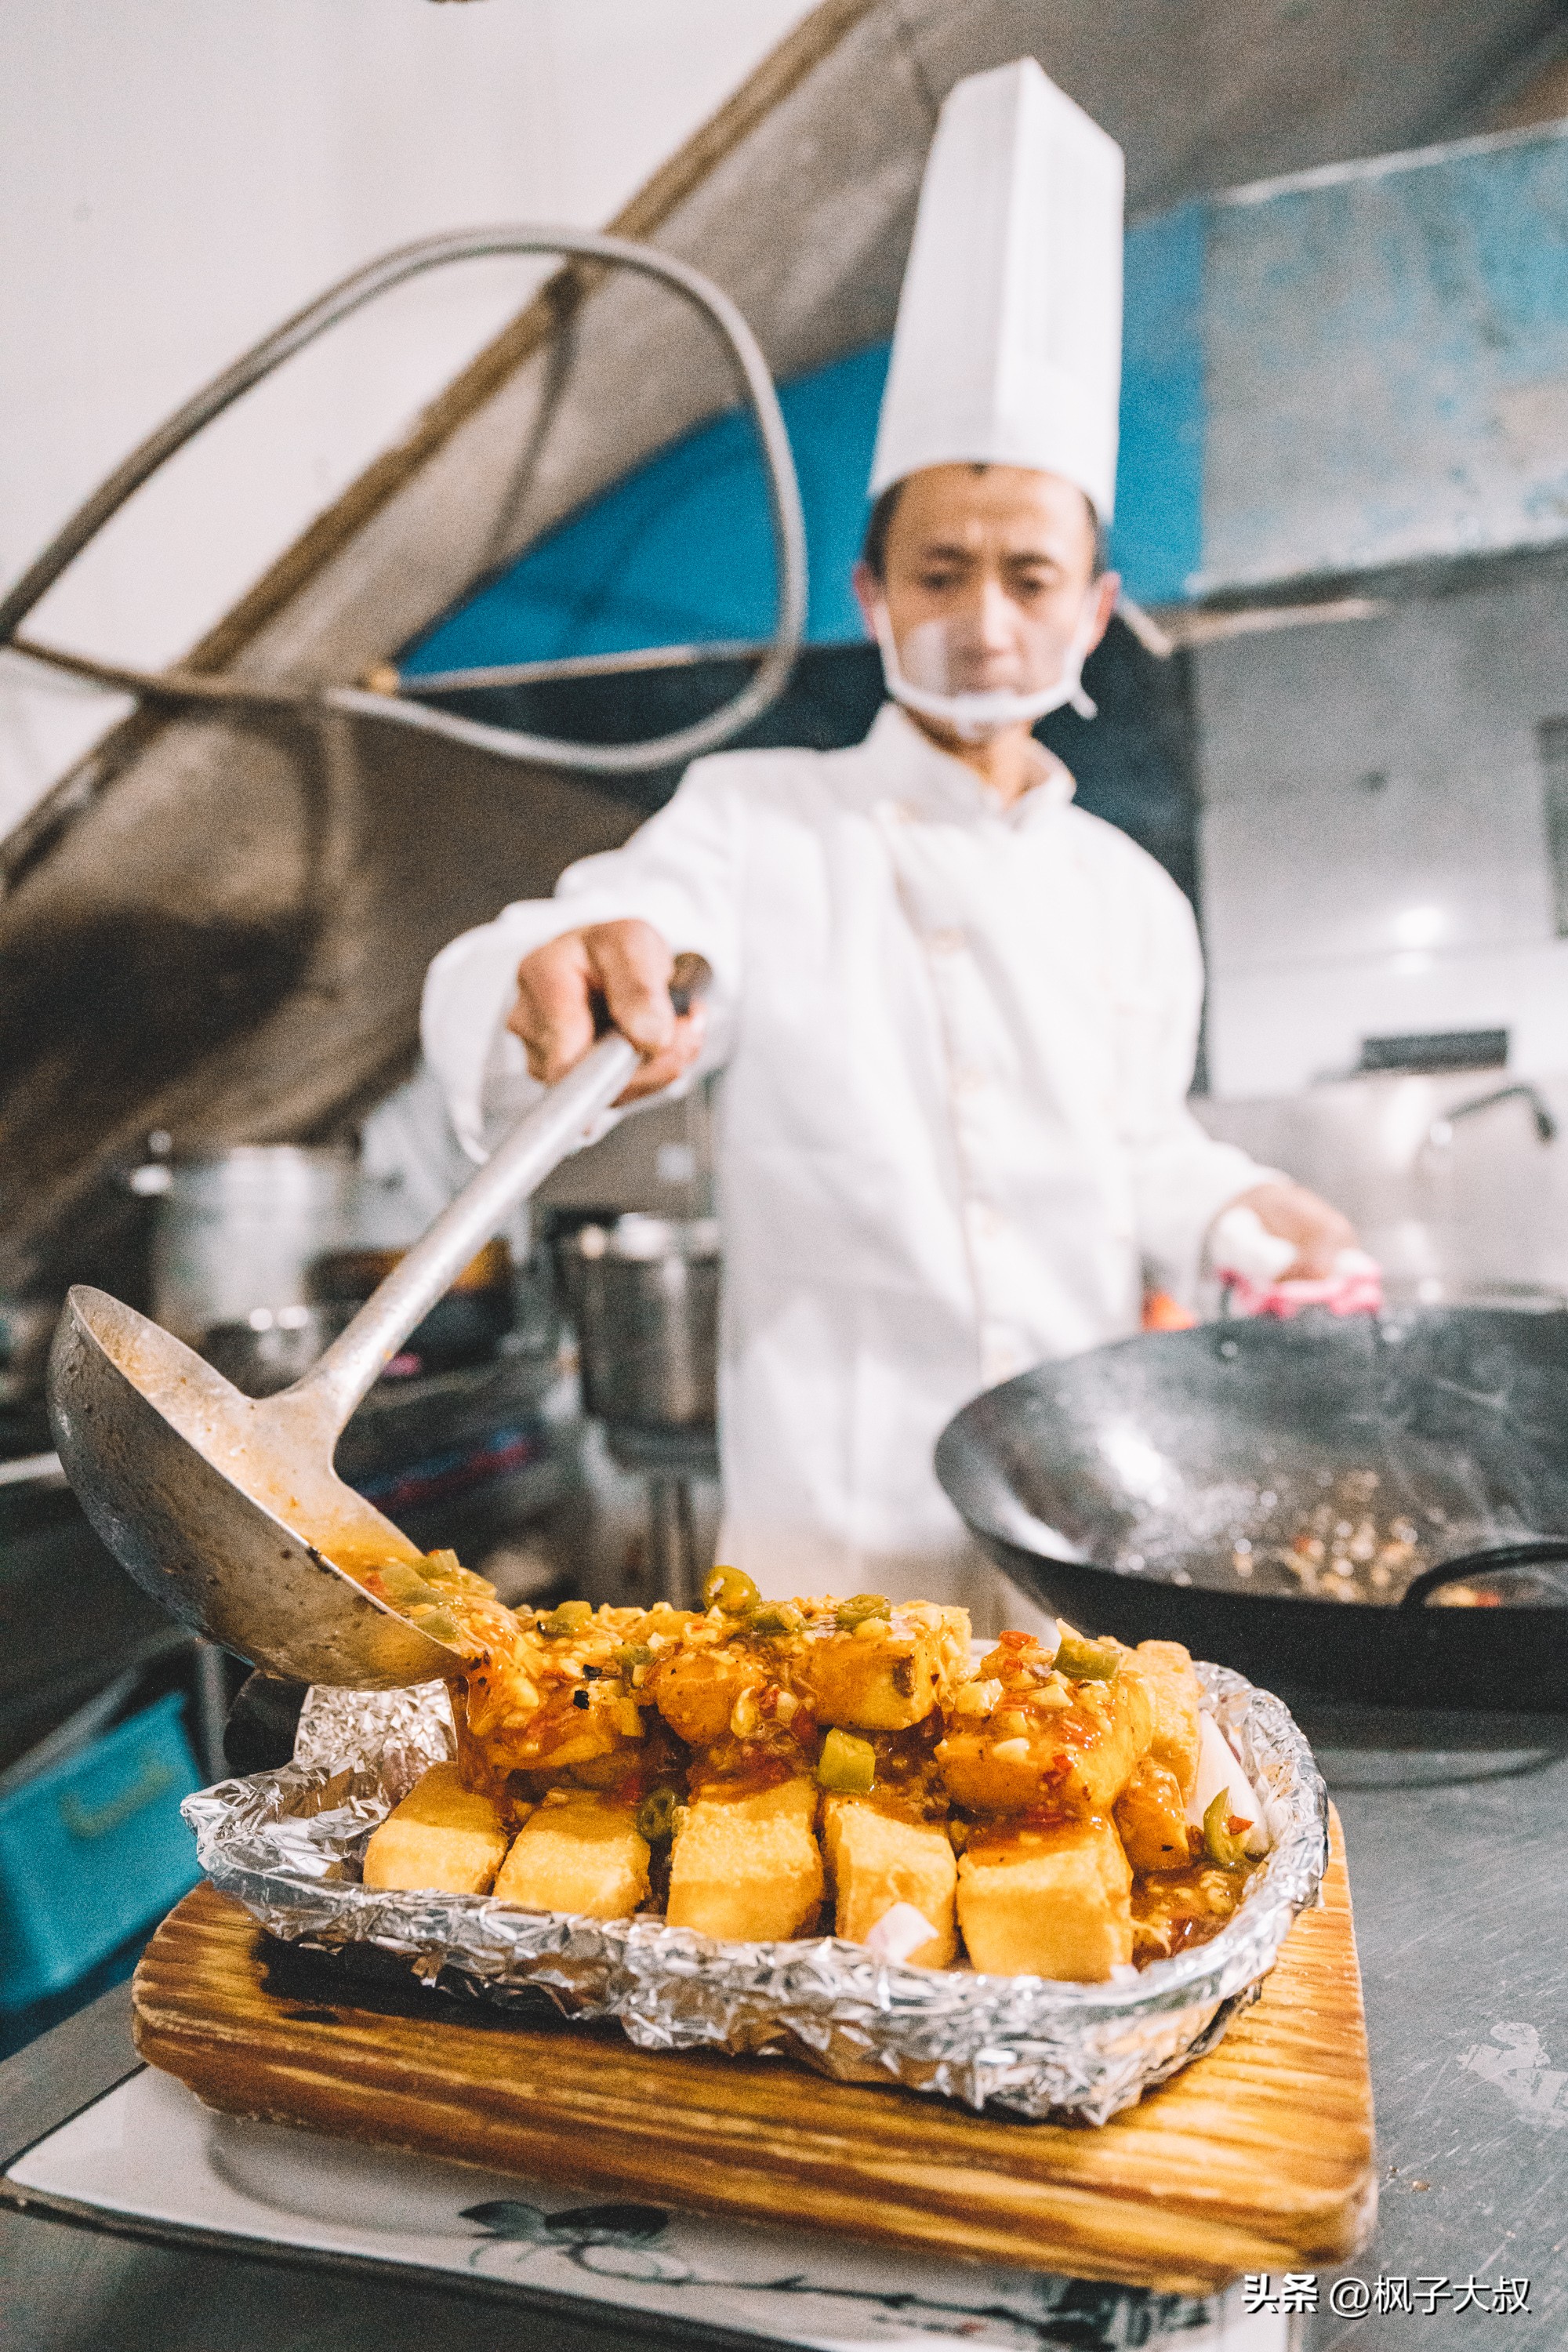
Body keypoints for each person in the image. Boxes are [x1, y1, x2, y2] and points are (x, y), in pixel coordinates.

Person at [421, 60, 1354, 1624]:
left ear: (1092, 608)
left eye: (1027, 576)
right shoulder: (754, 822)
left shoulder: (1127, 902)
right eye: (939, 572)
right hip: (823, 1555)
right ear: (872, 599)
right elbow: (573, 950)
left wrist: (1238, 1210)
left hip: (1080, 1542)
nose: (983, 622)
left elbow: (1137, 1148)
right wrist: (549, 975)